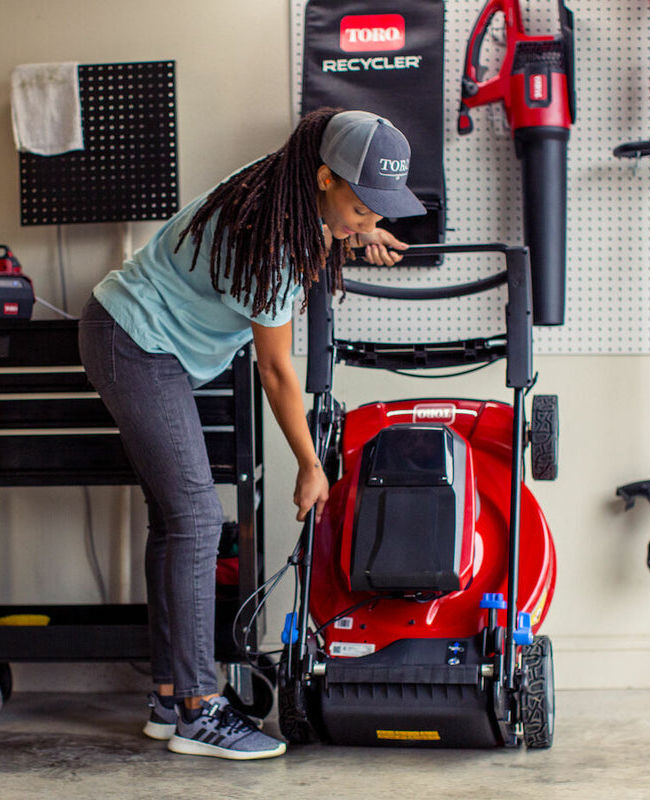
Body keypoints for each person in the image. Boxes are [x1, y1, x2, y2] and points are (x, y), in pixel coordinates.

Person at [77, 107, 426, 760]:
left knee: (177, 520)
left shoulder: (283, 188)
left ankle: (168, 694)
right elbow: (275, 371)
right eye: (365, 208)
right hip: (136, 343)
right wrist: (309, 464)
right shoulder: (275, 249)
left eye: (379, 214)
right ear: (325, 177)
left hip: (144, 344)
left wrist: (349, 232)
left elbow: (321, 232)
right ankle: (198, 711)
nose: (372, 223)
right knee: (199, 521)